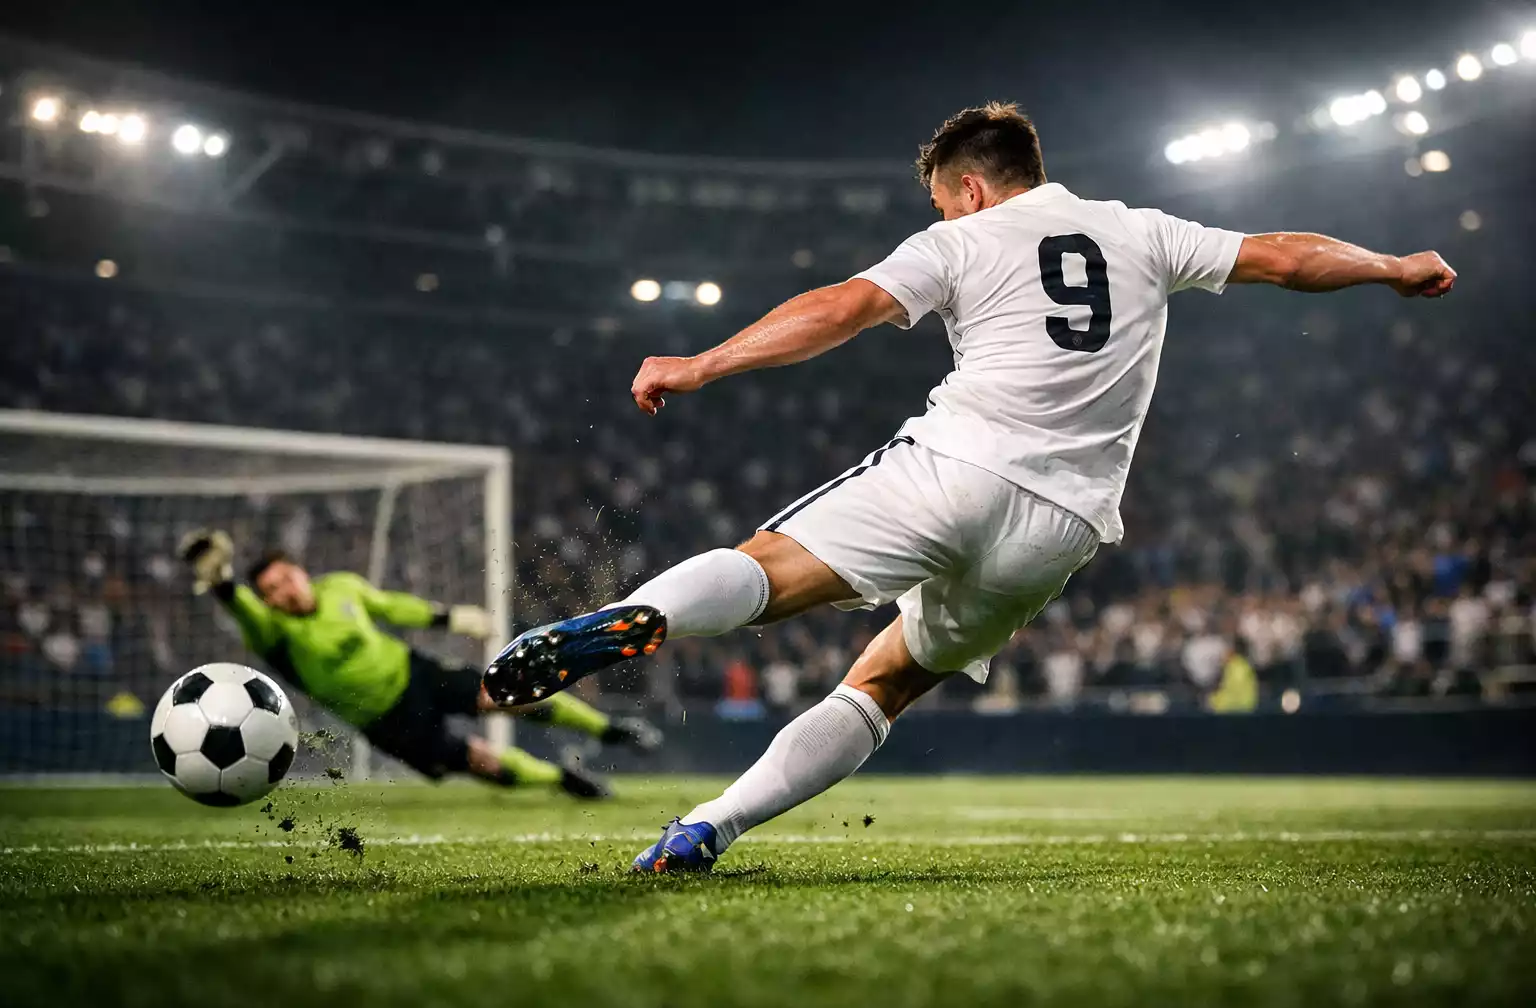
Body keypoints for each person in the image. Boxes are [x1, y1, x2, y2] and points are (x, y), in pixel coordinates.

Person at [481, 102, 1457, 870]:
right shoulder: (1145, 231)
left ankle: (639, 617)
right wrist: (1394, 265)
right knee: (886, 682)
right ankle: (708, 826)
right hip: (1065, 525)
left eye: (944, 202)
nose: (942, 218)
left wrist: (703, 363)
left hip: (954, 468)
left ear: (975, 191)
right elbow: (1287, 255)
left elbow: (846, 305)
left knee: (765, 571)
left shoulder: (962, 241)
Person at [178, 529, 660, 799]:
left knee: (511, 694)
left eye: (286, 577)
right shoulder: (271, 631)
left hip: (416, 675)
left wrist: (452, 617)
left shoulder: (340, 587)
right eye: (272, 591)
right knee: (479, 763)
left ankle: (611, 729)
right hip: (385, 721)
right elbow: (239, 603)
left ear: (301, 572)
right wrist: (220, 580)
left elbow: (390, 606)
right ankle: (564, 780)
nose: (284, 590)